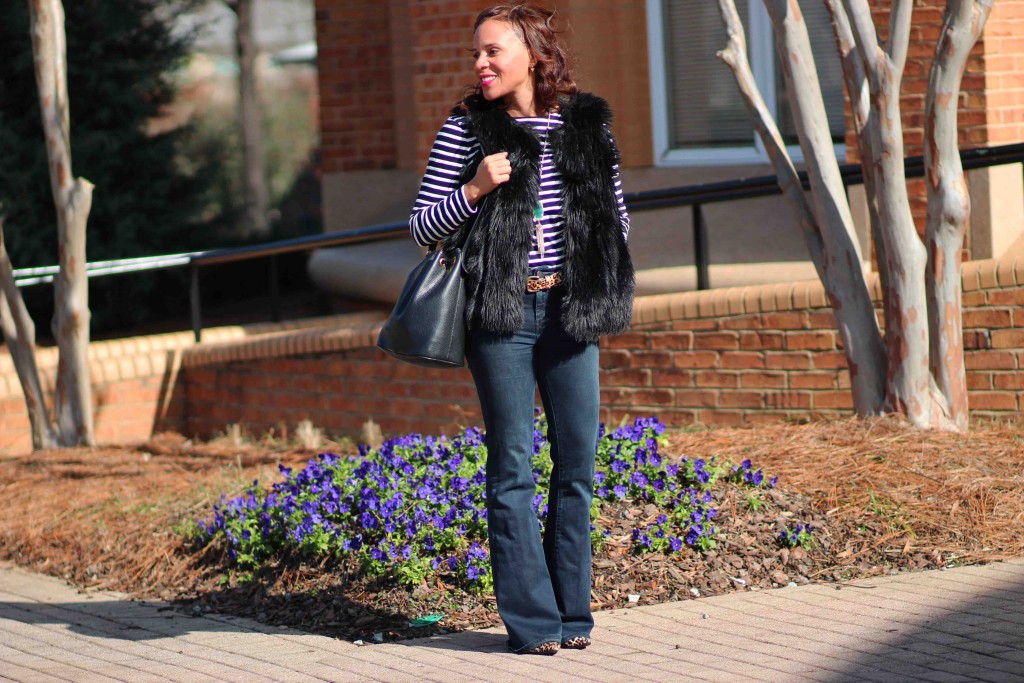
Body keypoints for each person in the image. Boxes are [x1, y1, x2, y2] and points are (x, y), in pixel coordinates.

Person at [409, 2, 633, 655]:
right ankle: (532, 625)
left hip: (570, 314)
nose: (479, 64)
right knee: (511, 468)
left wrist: (592, 267)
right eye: (475, 54)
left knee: (576, 466)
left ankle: (572, 615)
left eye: (492, 51)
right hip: (502, 319)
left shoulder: (587, 124)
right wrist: (474, 189)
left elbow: (618, 219)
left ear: (533, 53)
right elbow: (423, 228)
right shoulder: (466, 129)